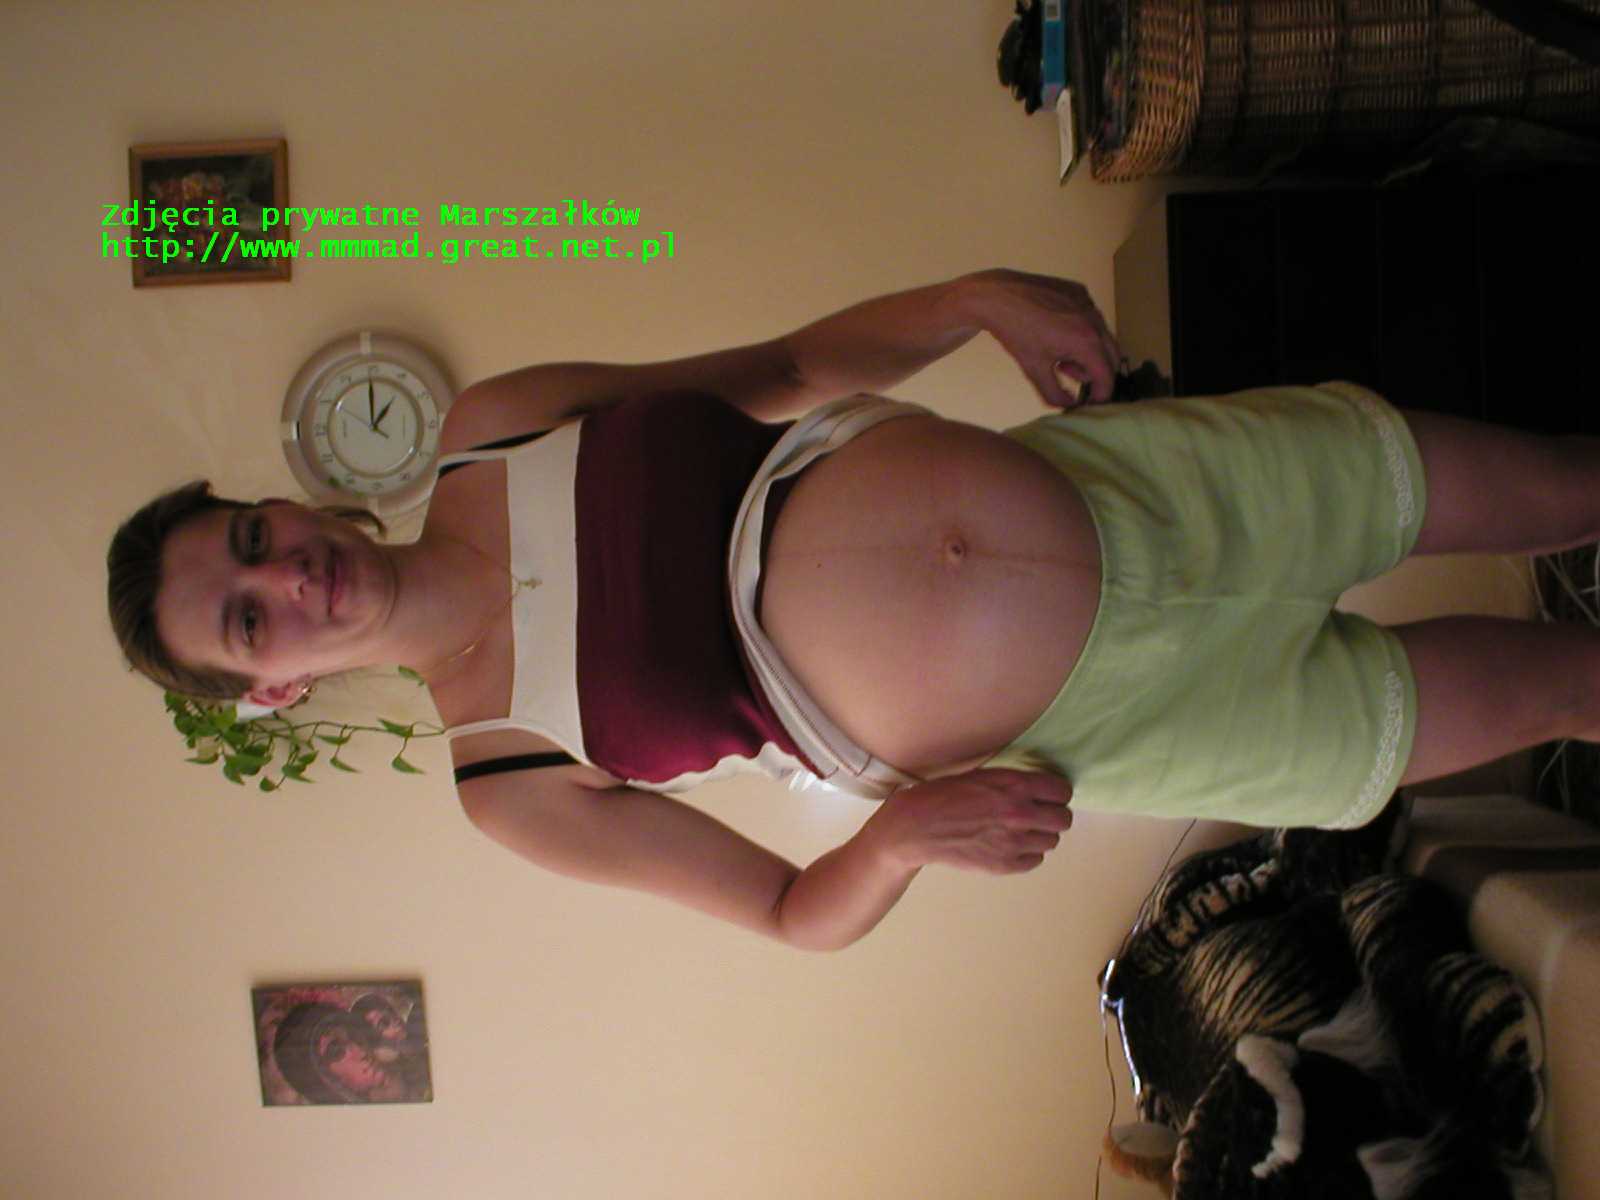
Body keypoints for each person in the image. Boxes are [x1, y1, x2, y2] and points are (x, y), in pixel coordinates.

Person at [108, 268, 1600, 951]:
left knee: (1566, 481)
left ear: (282, 504)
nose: (285, 580)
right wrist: (894, 842)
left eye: (251, 540)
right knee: (1571, 688)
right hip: (1127, 721)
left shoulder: (493, 428)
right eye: (247, 621)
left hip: (1154, 486)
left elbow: (780, 369)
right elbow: (785, 913)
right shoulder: (504, 777)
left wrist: (968, 301)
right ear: (273, 691)